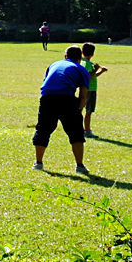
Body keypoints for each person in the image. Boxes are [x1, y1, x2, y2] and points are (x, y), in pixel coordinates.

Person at [32, 46, 92, 176]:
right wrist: (79, 111)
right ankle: (80, 166)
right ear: (80, 58)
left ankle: (38, 163)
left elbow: (48, 83)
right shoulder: (81, 69)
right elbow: (83, 95)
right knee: (76, 132)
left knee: (43, 129)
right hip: (67, 99)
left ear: (65, 56)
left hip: (47, 98)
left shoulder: (53, 64)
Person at [79, 42, 109, 137]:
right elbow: (89, 77)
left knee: (82, 109)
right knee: (89, 111)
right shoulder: (86, 64)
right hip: (90, 90)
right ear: (92, 54)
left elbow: (93, 76)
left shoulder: (84, 63)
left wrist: (101, 71)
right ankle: (87, 131)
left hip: (86, 89)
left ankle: (80, 129)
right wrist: (95, 69)